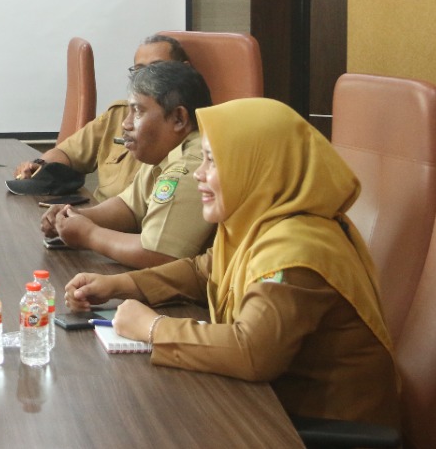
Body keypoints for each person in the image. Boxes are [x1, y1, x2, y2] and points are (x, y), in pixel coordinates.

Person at [65, 98, 399, 429]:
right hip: (271, 409)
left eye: (212, 161)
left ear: (258, 165)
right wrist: (120, 285)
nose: (198, 173)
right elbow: (203, 270)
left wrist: (153, 329)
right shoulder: (258, 222)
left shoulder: (297, 251)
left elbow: (252, 351)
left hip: (314, 430)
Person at [39, 60, 213, 268]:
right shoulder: (165, 148)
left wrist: (90, 234)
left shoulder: (192, 164)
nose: (126, 123)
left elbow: (160, 256)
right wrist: (74, 216)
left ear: (178, 118)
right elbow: (130, 207)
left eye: (138, 111)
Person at [13, 34, 191, 203]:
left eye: (156, 68)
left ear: (184, 69)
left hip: (129, 229)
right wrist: (41, 166)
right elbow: (68, 152)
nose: (144, 78)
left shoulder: (186, 127)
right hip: (98, 217)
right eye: (138, 71)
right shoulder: (118, 115)